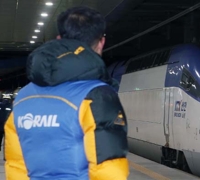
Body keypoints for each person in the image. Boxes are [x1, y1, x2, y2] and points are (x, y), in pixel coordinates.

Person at [4, 6, 129, 180]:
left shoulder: (23, 97)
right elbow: (108, 169)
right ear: (101, 42)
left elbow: (15, 164)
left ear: (59, 39)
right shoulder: (97, 96)